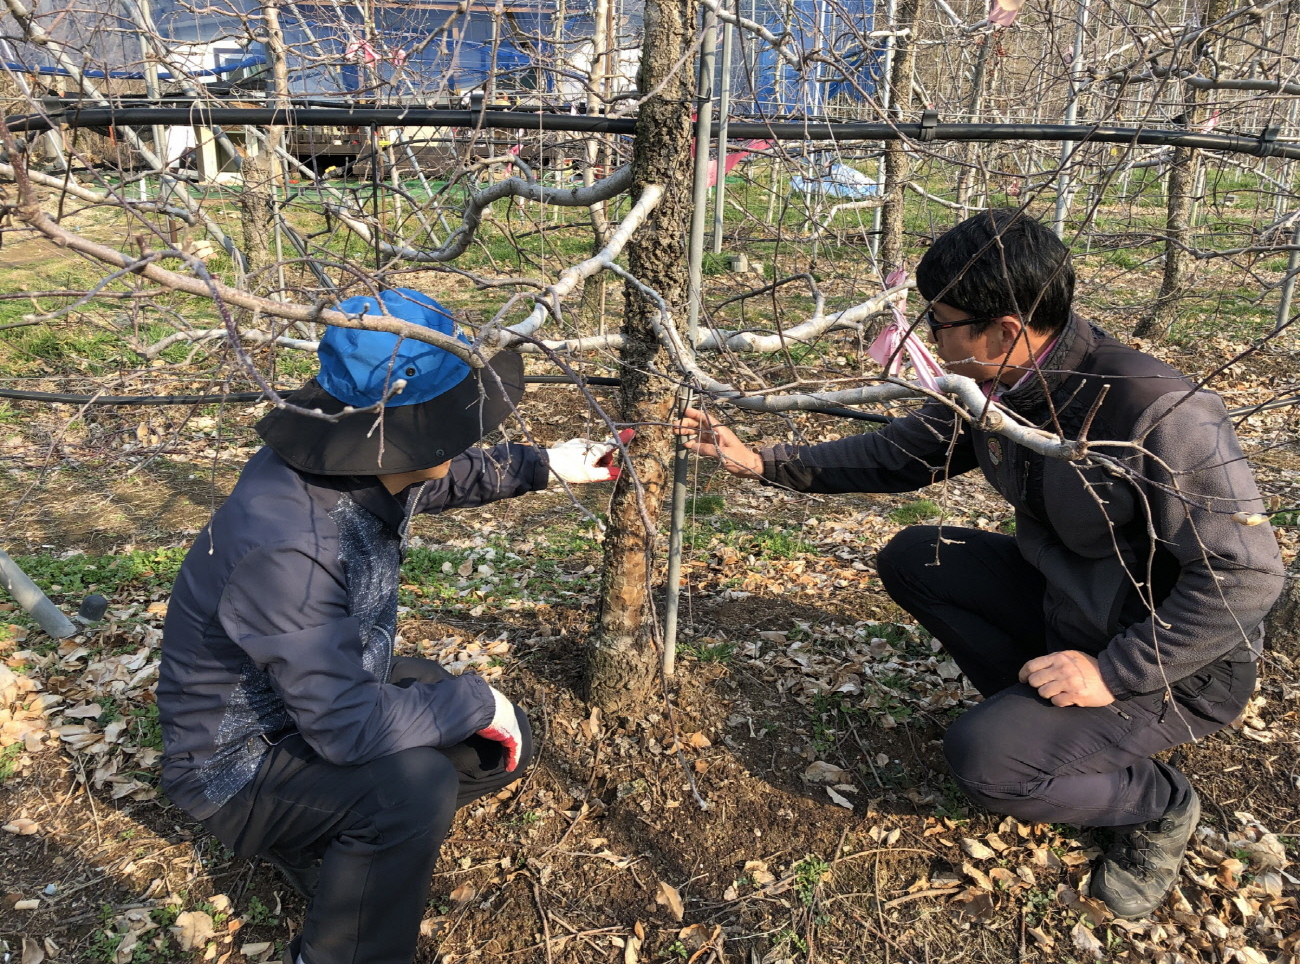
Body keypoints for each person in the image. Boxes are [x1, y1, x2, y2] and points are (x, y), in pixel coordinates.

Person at [676, 209, 1283, 919]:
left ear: (1003, 331)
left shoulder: (1153, 409)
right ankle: (1042, 721)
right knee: (917, 557)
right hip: (1073, 605)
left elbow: (1249, 574)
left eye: (940, 325)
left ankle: (1156, 806)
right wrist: (764, 461)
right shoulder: (1000, 387)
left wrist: (1113, 672)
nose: (929, 341)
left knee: (983, 761)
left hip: (1173, 663)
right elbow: (903, 451)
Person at [158, 289, 626, 964]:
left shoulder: (355, 459)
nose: (470, 430)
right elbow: (345, 727)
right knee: (417, 785)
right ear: (404, 432)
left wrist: (544, 464)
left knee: (483, 743)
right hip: (238, 761)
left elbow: (432, 476)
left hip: (310, 703)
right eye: (452, 416)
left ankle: (335, 840)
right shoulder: (292, 541)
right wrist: (474, 698)